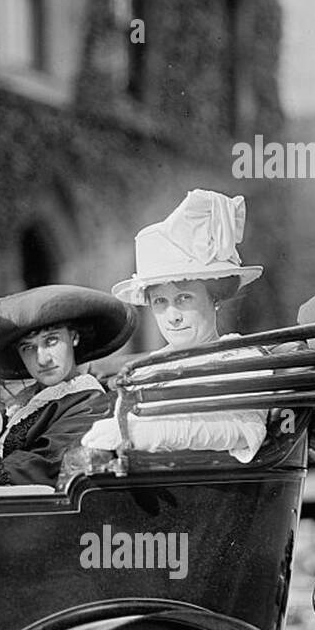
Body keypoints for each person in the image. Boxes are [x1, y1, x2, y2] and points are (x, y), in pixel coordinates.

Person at [81, 189, 268, 462]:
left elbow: (244, 431)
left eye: (184, 298)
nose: (172, 316)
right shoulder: (145, 371)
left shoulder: (241, 358)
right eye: (160, 302)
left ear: (213, 298)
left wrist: (156, 434)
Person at [0, 285, 135, 489]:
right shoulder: (23, 406)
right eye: (28, 347)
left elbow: (46, 462)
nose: (42, 359)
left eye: (51, 341)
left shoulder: (90, 402)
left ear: (74, 337)